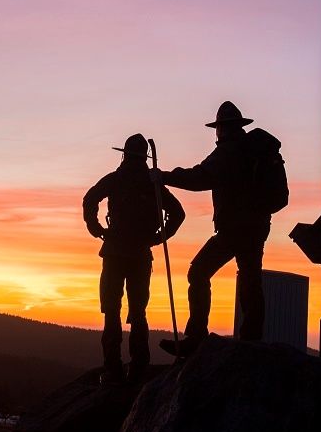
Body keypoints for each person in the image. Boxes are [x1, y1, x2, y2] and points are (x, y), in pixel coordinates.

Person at [154, 101, 272, 356]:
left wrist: (164, 177)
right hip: (257, 227)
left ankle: (196, 336)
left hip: (234, 229)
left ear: (222, 129)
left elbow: (199, 177)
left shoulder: (229, 152)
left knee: (198, 272)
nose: (217, 133)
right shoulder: (252, 150)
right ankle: (252, 338)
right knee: (251, 278)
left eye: (218, 128)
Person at [83, 133, 185, 384]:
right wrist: (161, 236)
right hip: (141, 254)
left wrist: (96, 229)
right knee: (138, 312)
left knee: (111, 311)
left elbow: (90, 199)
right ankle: (138, 367)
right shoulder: (153, 184)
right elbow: (178, 213)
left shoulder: (116, 179)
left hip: (115, 252)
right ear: (144, 157)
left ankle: (113, 369)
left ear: (125, 154)